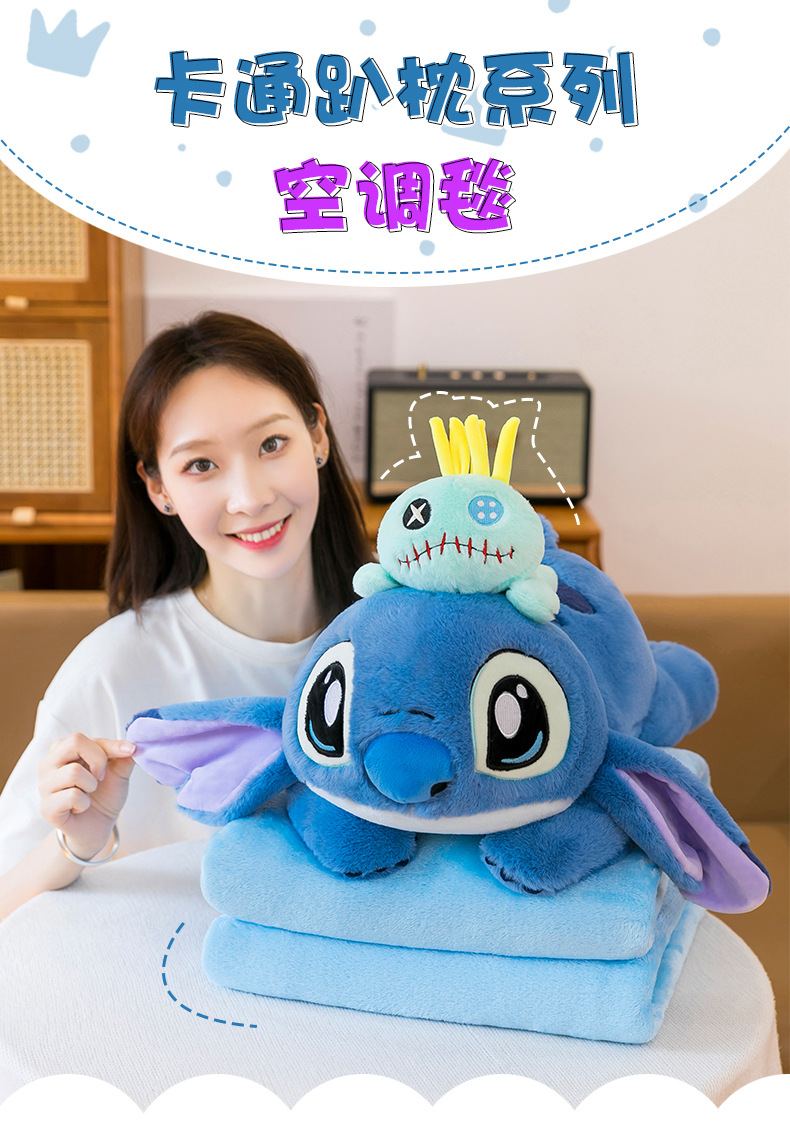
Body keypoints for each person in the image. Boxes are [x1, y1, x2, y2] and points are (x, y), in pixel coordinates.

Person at [0, 311, 371, 919]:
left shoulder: (405, 632)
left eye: (271, 444)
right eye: (201, 464)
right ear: (159, 488)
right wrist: (78, 844)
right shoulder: (115, 668)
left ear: (318, 437)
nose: (250, 497)